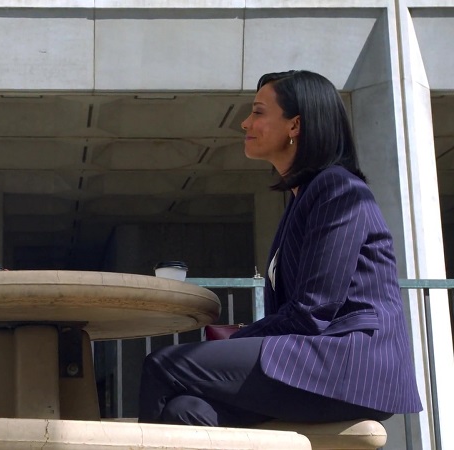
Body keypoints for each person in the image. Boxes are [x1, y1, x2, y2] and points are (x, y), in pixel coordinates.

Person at [138, 70, 423, 427]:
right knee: (187, 412)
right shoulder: (301, 200)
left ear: (295, 125)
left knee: (163, 365)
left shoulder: (339, 188)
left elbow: (312, 311)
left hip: (350, 364)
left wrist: (235, 340)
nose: (245, 123)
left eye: (258, 112)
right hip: (314, 363)